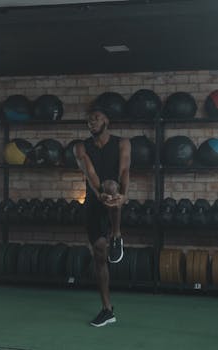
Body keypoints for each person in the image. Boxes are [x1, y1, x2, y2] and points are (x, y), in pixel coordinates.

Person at [74, 104, 131, 327]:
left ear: (106, 120)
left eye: (96, 118)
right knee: (99, 252)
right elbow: (90, 174)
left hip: (115, 196)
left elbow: (125, 170)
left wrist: (124, 196)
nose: (92, 122)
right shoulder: (81, 147)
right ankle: (107, 309)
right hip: (94, 201)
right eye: (89, 120)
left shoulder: (122, 143)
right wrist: (98, 195)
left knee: (111, 185)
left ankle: (116, 234)